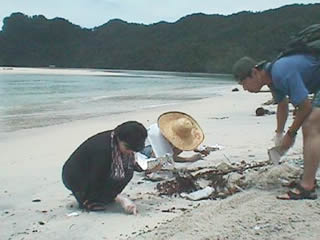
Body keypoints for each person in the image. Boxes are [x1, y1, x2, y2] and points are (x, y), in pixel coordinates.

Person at [232, 54, 320, 200]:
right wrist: (279, 134)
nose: (245, 89)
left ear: (254, 72)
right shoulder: (272, 79)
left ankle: (307, 186)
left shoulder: (280, 72)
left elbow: (304, 106)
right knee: (312, 124)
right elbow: (282, 105)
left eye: (243, 83)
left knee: (310, 125)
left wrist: (290, 134)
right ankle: (309, 179)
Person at [62, 121, 147, 213]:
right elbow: (97, 175)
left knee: (128, 171)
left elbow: (130, 164)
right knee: (112, 176)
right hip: (75, 176)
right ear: (119, 139)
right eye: (127, 148)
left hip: (95, 170)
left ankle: (105, 198)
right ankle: (88, 200)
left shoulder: (116, 140)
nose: (130, 152)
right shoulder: (103, 149)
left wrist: (146, 168)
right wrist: (118, 198)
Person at [140, 111, 210, 164]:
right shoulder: (158, 137)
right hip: (143, 148)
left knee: (180, 148)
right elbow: (166, 158)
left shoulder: (166, 128)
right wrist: (188, 159)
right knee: (163, 159)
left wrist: (196, 148)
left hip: (148, 143)